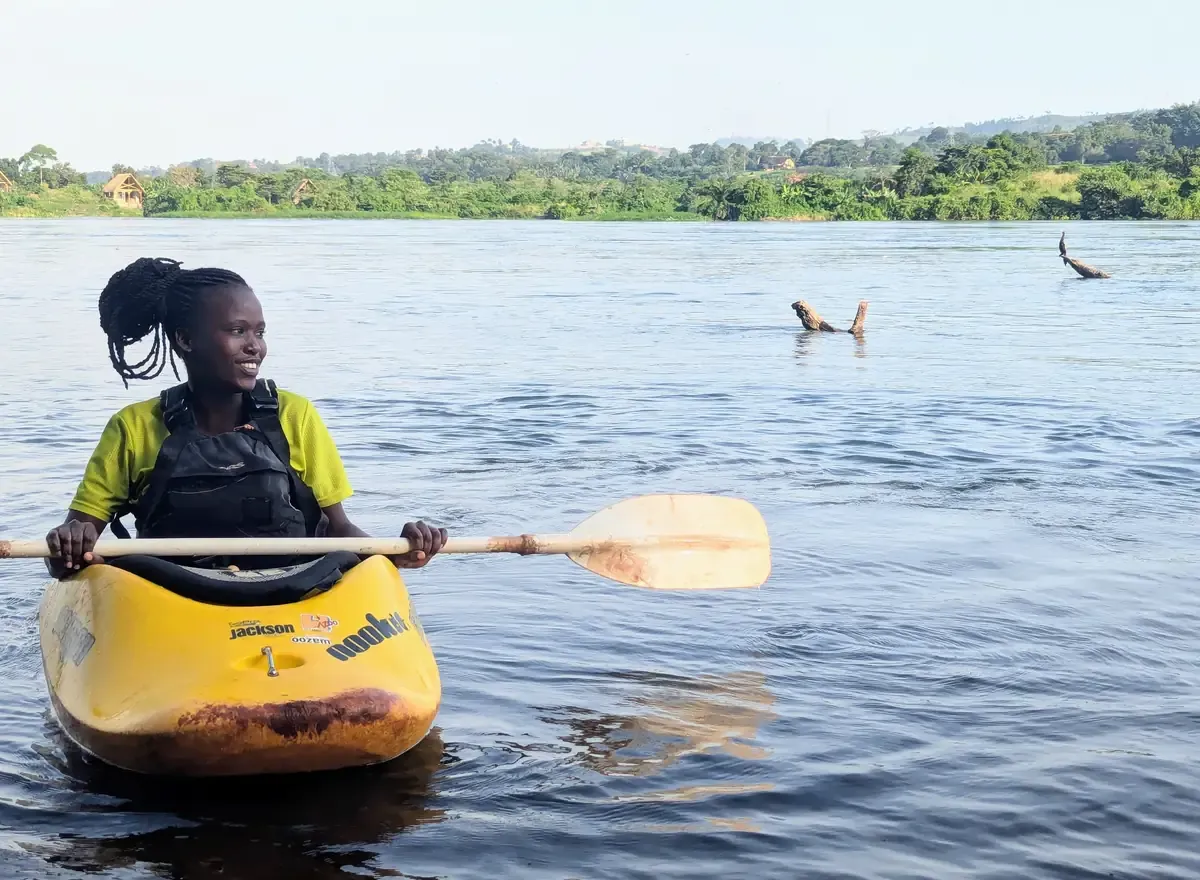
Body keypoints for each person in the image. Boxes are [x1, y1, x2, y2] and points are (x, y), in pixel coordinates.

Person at [45, 257, 447, 578]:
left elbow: (339, 529)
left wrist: (394, 554)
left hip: (292, 589)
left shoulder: (295, 415)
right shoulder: (133, 427)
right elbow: (68, 553)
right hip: (167, 597)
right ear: (185, 339)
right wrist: (70, 544)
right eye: (238, 331)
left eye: (259, 332)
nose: (254, 347)